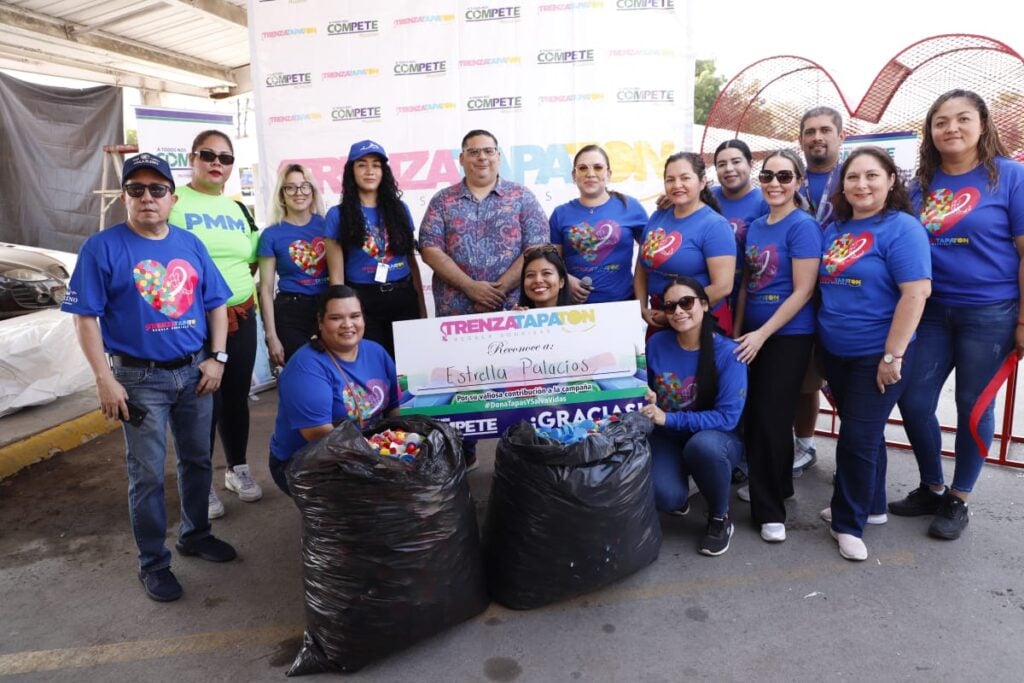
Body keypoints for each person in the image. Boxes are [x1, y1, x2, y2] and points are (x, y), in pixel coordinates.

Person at [62, 153, 237, 602]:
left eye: (156, 189)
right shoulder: (102, 247)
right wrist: (104, 378)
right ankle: (153, 563)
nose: (147, 197)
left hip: (194, 372)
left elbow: (216, 302)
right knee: (146, 476)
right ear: (124, 197)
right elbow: (85, 319)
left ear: (172, 199)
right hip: (139, 380)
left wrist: (216, 358)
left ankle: (196, 535)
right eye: (136, 189)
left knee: (198, 460)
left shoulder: (190, 244)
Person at [893, 89, 1024, 540]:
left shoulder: (1009, 177)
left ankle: (959, 497)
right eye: (941, 122)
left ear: (982, 125)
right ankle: (932, 485)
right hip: (930, 311)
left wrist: (1023, 320)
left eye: (962, 119)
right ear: (930, 133)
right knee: (912, 401)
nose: (951, 128)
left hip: (989, 312)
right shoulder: (920, 184)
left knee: (972, 408)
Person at [818, 146, 931, 561]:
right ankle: (874, 504)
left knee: (856, 438)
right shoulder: (836, 228)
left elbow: (917, 292)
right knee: (861, 432)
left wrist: (892, 356)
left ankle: (848, 523)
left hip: (876, 355)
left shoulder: (903, 228)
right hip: (836, 351)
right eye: (852, 177)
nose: (861, 184)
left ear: (890, 181)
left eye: (871, 176)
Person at [419, 129, 548, 467]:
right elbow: (429, 247)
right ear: (461, 158)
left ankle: (521, 454)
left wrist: (500, 289)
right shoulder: (442, 201)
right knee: (462, 387)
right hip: (456, 315)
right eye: (473, 151)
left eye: (488, 150)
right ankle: (465, 452)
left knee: (516, 383)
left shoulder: (522, 197)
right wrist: (470, 287)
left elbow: (536, 247)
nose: (481, 157)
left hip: (512, 313)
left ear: (498, 155)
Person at [169, 130, 262, 516]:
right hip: (192, 321)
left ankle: (237, 467)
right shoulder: (173, 202)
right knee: (201, 400)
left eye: (225, 158)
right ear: (192, 158)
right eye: (208, 155)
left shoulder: (239, 209)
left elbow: (252, 259)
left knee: (236, 397)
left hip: (241, 313)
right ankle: (200, 481)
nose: (216, 164)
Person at [733, 149, 822, 543]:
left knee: (771, 419)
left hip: (786, 336)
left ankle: (771, 512)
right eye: (767, 176)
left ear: (798, 182)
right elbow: (746, 286)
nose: (774, 184)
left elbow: (803, 291)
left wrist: (762, 334)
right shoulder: (755, 226)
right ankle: (777, 485)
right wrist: (737, 332)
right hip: (751, 336)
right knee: (756, 417)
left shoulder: (802, 227)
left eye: (784, 177)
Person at [640, 277, 747, 556]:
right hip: (667, 438)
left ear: (704, 304)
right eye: (670, 306)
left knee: (703, 447)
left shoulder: (729, 352)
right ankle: (683, 483)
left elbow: (727, 418)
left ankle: (719, 517)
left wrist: (669, 419)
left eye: (686, 303)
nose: (678, 311)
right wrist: (648, 396)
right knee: (667, 497)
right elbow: (645, 389)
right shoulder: (657, 343)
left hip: (715, 439)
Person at [269, 285, 400, 495]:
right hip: (307, 461)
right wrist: (378, 461)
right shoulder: (306, 368)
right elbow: (318, 434)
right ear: (320, 321)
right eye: (336, 318)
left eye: (355, 316)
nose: (348, 325)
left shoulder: (376, 351)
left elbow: (396, 407)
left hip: (368, 450)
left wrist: (400, 448)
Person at [324, 140, 426, 359]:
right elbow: (337, 277)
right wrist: (342, 317)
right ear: (351, 171)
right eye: (362, 164)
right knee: (374, 365)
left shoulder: (399, 209)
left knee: (410, 366)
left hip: (403, 297)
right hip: (363, 302)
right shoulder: (337, 215)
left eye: (376, 165)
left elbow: (412, 261)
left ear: (384, 171)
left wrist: (422, 306)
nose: (370, 171)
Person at [793, 106, 847, 476]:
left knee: (849, 381)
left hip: (845, 296)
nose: (817, 137)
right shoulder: (789, 178)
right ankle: (805, 444)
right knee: (804, 379)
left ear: (841, 136)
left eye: (825, 130)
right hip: (798, 296)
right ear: (800, 140)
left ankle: (858, 458)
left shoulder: (855, 177)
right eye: (810, 131)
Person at [635, 152, 735, 336]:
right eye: (670, 179)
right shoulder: (658, 216)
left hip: (699, 322)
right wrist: (641, 307)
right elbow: (642, 268)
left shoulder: (715, 225)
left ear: (702, 182)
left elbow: (722, 286)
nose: (677, 185)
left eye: (685, 178)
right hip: (658, 318)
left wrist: (673, 312)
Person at [548, 144, 648, 303]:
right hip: (575, 310)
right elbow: (551, 264)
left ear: (608, 173)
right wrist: (566, 279)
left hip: (623, 304)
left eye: (598, 167)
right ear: (574, 175)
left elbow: (651, 254)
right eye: (582, 168)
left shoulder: (631, 207)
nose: (590, 174)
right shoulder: (560, 214)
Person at [257, 163, 328, 367]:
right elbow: (266, 289)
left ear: (312, 191)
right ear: (281, 194)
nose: (299, 193)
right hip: (291, 313)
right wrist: (271, 336)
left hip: (327, 309)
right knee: (303, 371)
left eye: (304, 186)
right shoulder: (271, 235)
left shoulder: (326, 225)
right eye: (290, 187)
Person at [710, 139, 770, 311]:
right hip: (713, 295)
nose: (729, 169)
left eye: (736, 161)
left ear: (750, 164)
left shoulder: (765, 203)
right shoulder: (707, 198)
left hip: (750, 295)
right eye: (722, 164)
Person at [517, 244, 573, 309]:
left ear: (561, 282)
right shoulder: (514, 316)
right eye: (530, 275)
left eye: (546, 273)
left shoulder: (580, 318)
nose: (538, 280)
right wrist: (513, 317)